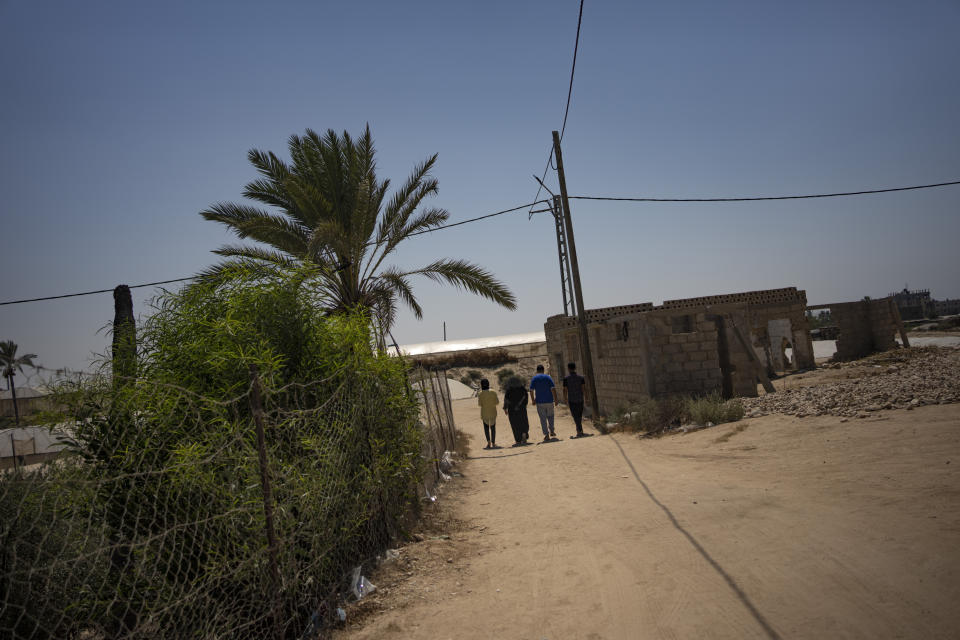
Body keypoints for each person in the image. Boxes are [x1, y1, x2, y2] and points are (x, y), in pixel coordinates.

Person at [529, 364, 558, 441]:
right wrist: (556, 399)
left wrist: (533, 400)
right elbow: (553, 388)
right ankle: (552, 430)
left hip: (540, 402)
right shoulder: (548, 377)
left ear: (537, 370)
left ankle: (546, 434)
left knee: (543, 419)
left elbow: (531, 390)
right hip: (549, 400)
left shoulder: (534, 378)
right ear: (543, 370)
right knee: (551, 416)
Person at [502, 376, 530, 445]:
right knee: (523, 421)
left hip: (512, 410)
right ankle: (524, 433)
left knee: (515, 424)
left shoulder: (509, 390)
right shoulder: (522, 389)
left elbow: (506, 400)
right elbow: (526, 398)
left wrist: (505, 408)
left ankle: (518, 440)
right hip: (522, 409)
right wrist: (523, 405)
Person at [563, 361, 588, 437]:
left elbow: (565, 389)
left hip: (572, 399)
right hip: (580, 398)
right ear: (575, 368)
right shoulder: (581, 378)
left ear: (568, 369)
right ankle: (579, 429)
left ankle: (579, 430)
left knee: (575, 415)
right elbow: (584, 388)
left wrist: (565, 399)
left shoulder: (566, 379)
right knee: (579, 415)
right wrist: (586, 397)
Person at [477, 378, 499, 449]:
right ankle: (493, 443)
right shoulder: (493, 392)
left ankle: (488, 442)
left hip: (484, 413)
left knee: (486, 428)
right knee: (493, 428)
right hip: (493, 412)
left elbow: (480, 404)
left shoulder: (480, 393)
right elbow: (497, 402)